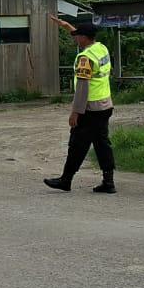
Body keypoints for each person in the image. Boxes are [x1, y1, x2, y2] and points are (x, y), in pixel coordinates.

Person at [45, 17, 116, 194]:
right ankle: (108, 181)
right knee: (102, 144)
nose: (75, 38)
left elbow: (83, 88)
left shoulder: (85, 58)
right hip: (105, 105)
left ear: (84, 37)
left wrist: (75, 112)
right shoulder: (100, 48)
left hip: (89, 108)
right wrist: (66, 26)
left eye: (77, 35)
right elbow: (80, 35)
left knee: (77, 144)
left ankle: (65, 180)